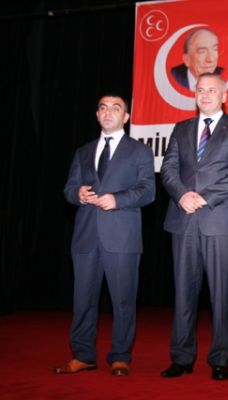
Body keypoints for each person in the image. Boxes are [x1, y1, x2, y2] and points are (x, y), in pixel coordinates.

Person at [160, 72, 228, 380]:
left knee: (222, 294)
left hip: (220, 221)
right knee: (183, 293)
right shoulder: (181, 128)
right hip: (183, 219)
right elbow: (169, 168)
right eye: (201, 90)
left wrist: (204, 197)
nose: (206, 94)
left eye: (212, 90)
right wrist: (181, 194)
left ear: (224, 96)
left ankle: (221, 359)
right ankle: (181, 357)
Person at [56, 94, 155, 377]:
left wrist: (118, 199)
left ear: (126, 117)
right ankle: (83, 355)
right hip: (86, 236)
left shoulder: (140, 151)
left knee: (123, 300)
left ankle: (120, 357)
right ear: (97, 115)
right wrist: (77, 194)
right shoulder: (83, 152)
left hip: (122, 237)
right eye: (103, 108)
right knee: (83, 300)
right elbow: (69, 189)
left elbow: (148, 191)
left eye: (116, 108)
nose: (108, 112)